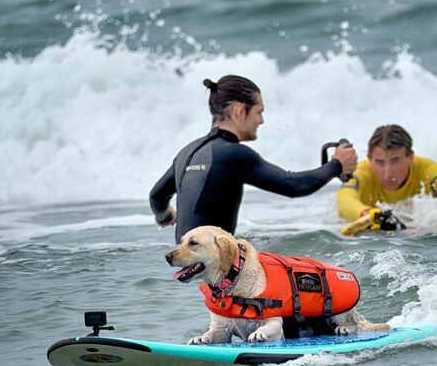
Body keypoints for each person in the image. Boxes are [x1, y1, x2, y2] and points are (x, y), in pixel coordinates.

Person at [150, 75, 357, 243]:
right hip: (212, 268)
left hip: (185, 265)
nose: (262, 120)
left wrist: (166, 216)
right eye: (259, 112)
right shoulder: (232, 154)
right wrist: (336, 164)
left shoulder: (187, 151)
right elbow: (294, 185)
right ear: (240, 110)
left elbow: (156, 197)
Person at [336, 124, 437, 224]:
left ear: (410, 158)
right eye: (380, 162)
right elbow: (344, 203)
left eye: (395, 161)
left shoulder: (429, 170)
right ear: (369, 159)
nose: (388, 174)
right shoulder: (360, 172)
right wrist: (374, 217)